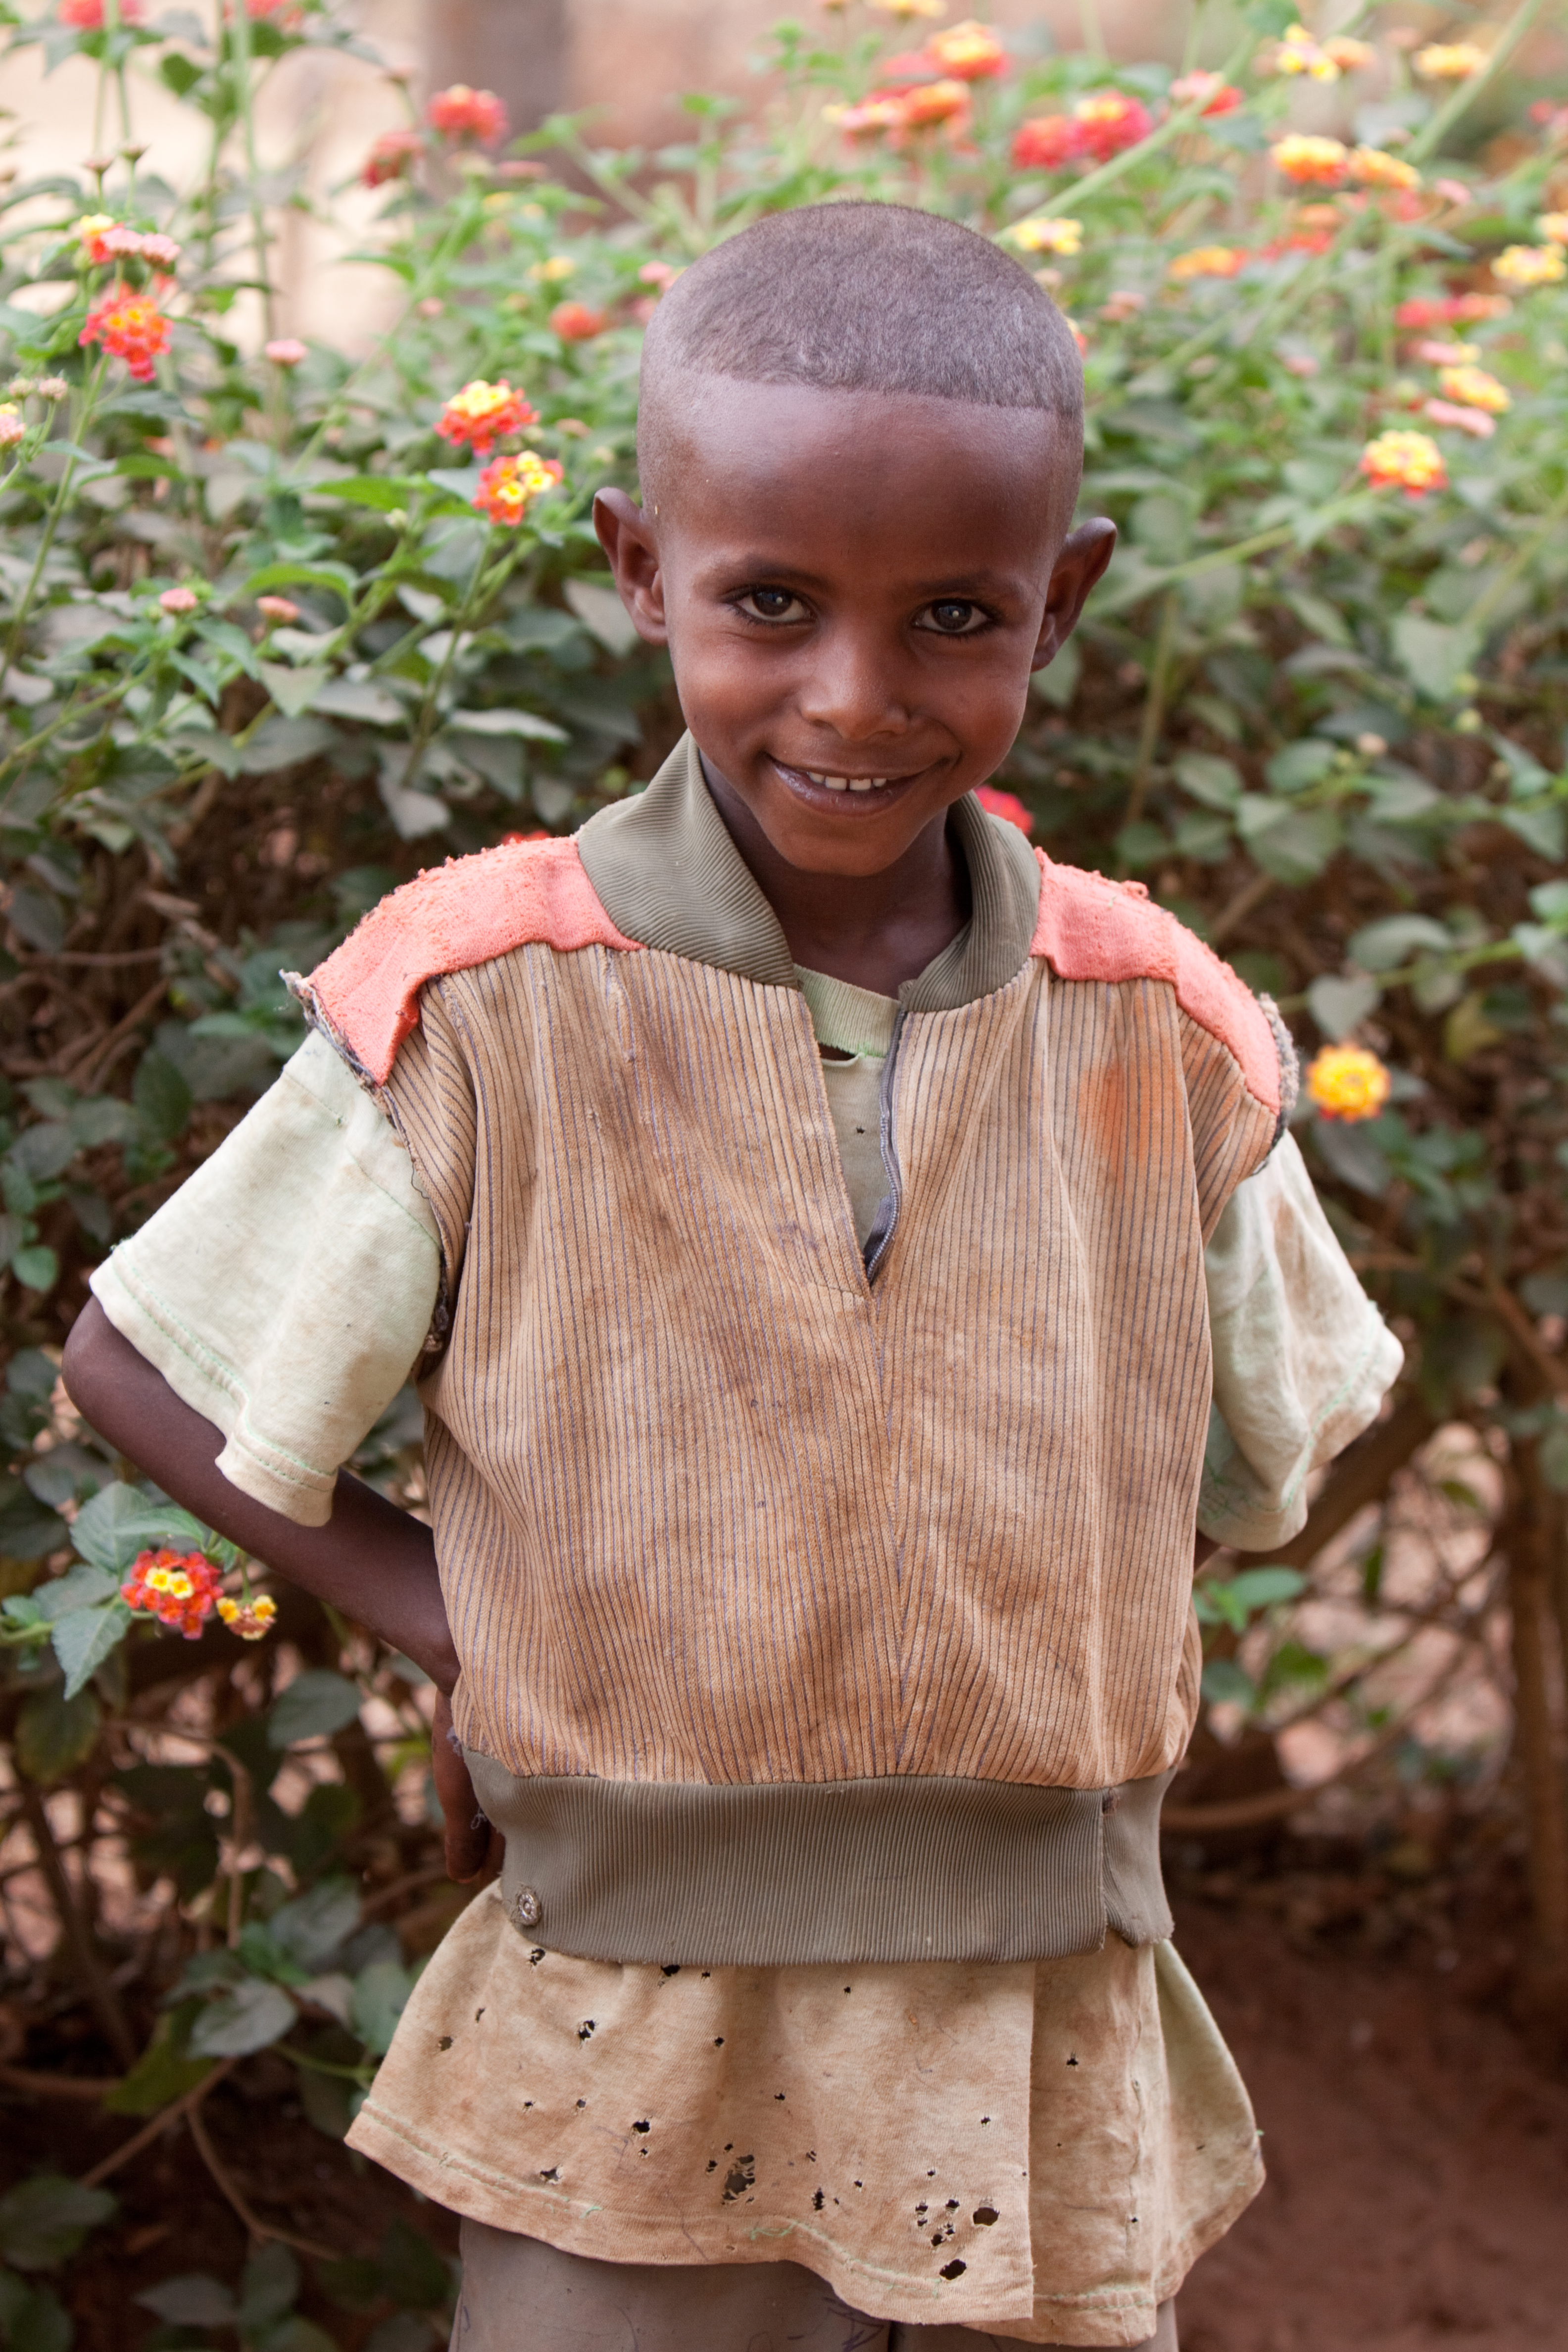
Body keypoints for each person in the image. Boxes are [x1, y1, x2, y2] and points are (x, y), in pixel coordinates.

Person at [64, 203, 1401, 2351]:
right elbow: (143, 1359)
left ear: (1061, 606)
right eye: (768, 602)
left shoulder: (1157, 1025)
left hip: (1039, 2003)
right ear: (635, 571)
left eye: (954, 615)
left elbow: (1252, 1468)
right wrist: (457, 1623)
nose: (852, 697)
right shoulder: (483, 995)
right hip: (629, 2005)